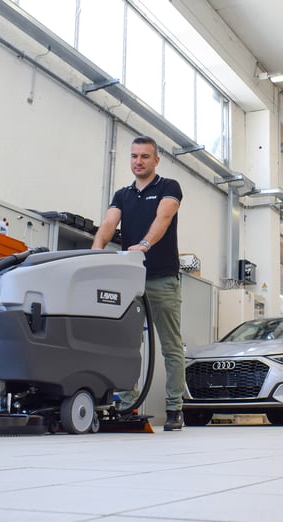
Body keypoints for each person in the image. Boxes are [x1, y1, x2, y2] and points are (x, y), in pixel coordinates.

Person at [92, 135, 186, 431]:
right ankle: (127, 402)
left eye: (145, 156)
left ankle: (174, 408)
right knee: (128, 342)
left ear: (156, 160)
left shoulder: (169, 187)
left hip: (163, 279)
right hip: (132, 281)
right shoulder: (123, 195)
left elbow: (165, 216)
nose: (138, 161)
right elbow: (108, 224)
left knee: (171, 346)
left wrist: (144, 244)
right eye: (134, 156)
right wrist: (95, 253)